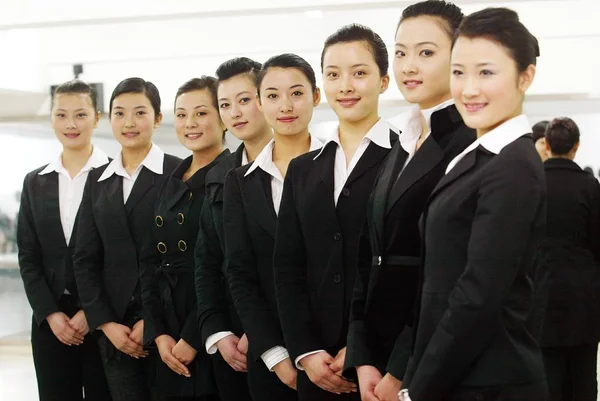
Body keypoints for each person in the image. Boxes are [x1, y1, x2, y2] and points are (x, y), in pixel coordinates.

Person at [400, 8, 547, 401]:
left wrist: (419, 389)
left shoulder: (513, 166)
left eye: (486, 72)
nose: (468, 89)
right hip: (459, 375)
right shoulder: (477, 155)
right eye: (459, 72)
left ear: (525, 76)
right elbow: (439, 283)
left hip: (489, 381)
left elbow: (477, 295)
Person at [343, 2, 475, 401]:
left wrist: (401, 368)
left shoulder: (470, 143)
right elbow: (371, 252)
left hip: (431, 359)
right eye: (400, 53)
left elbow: (455, 274)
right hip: (379, 355)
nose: (408, 65)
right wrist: (363, 354)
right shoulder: (402, 139)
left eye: (426, 52)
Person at [273, 24, 395, 401]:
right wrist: (306, 352)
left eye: (359, 73)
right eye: (333, 74)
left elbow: (408, 271)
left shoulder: (406, 158)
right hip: (316, 362)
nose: (345, 86)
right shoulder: (304, 169)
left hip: (383, 363)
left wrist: (364, 350)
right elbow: (288, 267)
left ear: (384, 81)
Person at [73, 78, 181, 401]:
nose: (129, 123)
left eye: (139, 112)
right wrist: (105, 322)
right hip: (114, 331)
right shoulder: (98, 180)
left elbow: (184, 260)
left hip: (168, 326)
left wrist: (154, 320)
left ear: (158, 118)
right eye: (119, 113)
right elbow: (84, 257)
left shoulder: (178, 174)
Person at [223, 52, 323, 401]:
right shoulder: (239, 182)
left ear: (315, 96)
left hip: (331, 352)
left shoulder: (338, 167)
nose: (286, 106)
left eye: (297, 93)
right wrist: (275, 354)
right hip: (268, 354)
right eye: (273, 95)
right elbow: (240, 273)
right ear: (261, 104)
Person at [17, 79, 111, 401]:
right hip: (50, 323)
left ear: (97, 118)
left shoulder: (116, 177)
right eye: (61, 115)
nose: (71, 124)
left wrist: (92, 311)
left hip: (105, 321)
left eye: (80, 115)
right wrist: (51, 314)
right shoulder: (35, 182)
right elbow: (28, 257)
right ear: (52, 119)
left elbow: (123, 256)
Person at [140, 77, 230, 400]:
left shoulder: (233, 177)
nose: (190, 123)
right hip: (167, 328)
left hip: (211, 328)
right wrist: (159, 332)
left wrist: (193, 336)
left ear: (222, 118)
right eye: (181, 114)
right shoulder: (170, 180)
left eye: (201, 113)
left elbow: (225, 268)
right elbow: (149, 261)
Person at [195, 57, 272, 401]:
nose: (235, 113)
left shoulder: (307, 164)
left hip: (289, 333)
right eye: (225, 105)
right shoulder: (219, 175)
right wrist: (217, 330)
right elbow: (207, 260)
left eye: (244, 100)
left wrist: (261, 330)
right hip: (230, 342)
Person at [535, 117, 600, 401]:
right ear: (576, 147)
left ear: (546, 145)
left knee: (547, 375)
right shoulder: (590, 186)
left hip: (540, 294)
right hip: (584, 298)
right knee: (584, 375)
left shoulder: (530, 184)